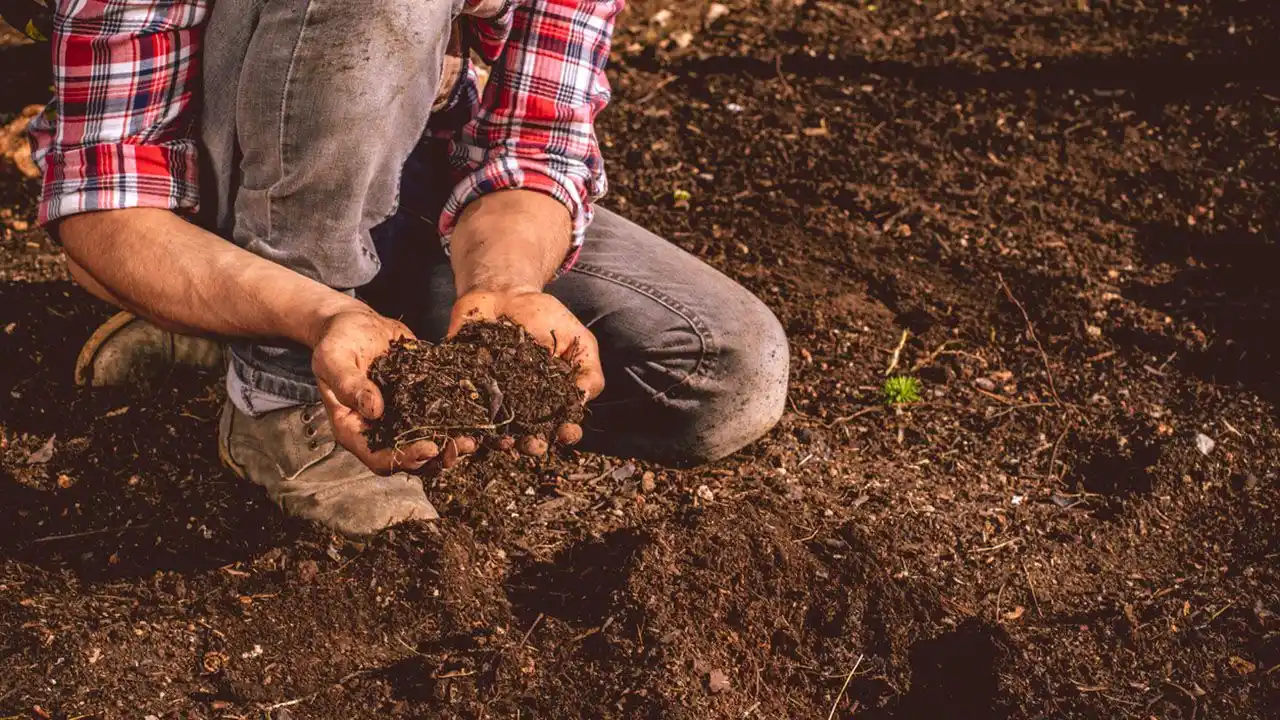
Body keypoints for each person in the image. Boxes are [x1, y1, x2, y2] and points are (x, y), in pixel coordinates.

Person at [27, 0, 789, 537]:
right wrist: (314, 315)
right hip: (211, 188)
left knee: (719, 371)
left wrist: (505, 285)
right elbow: (104, 205)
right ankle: (277, 394)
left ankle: (258, 330)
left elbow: (537, 145)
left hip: (405, 179)